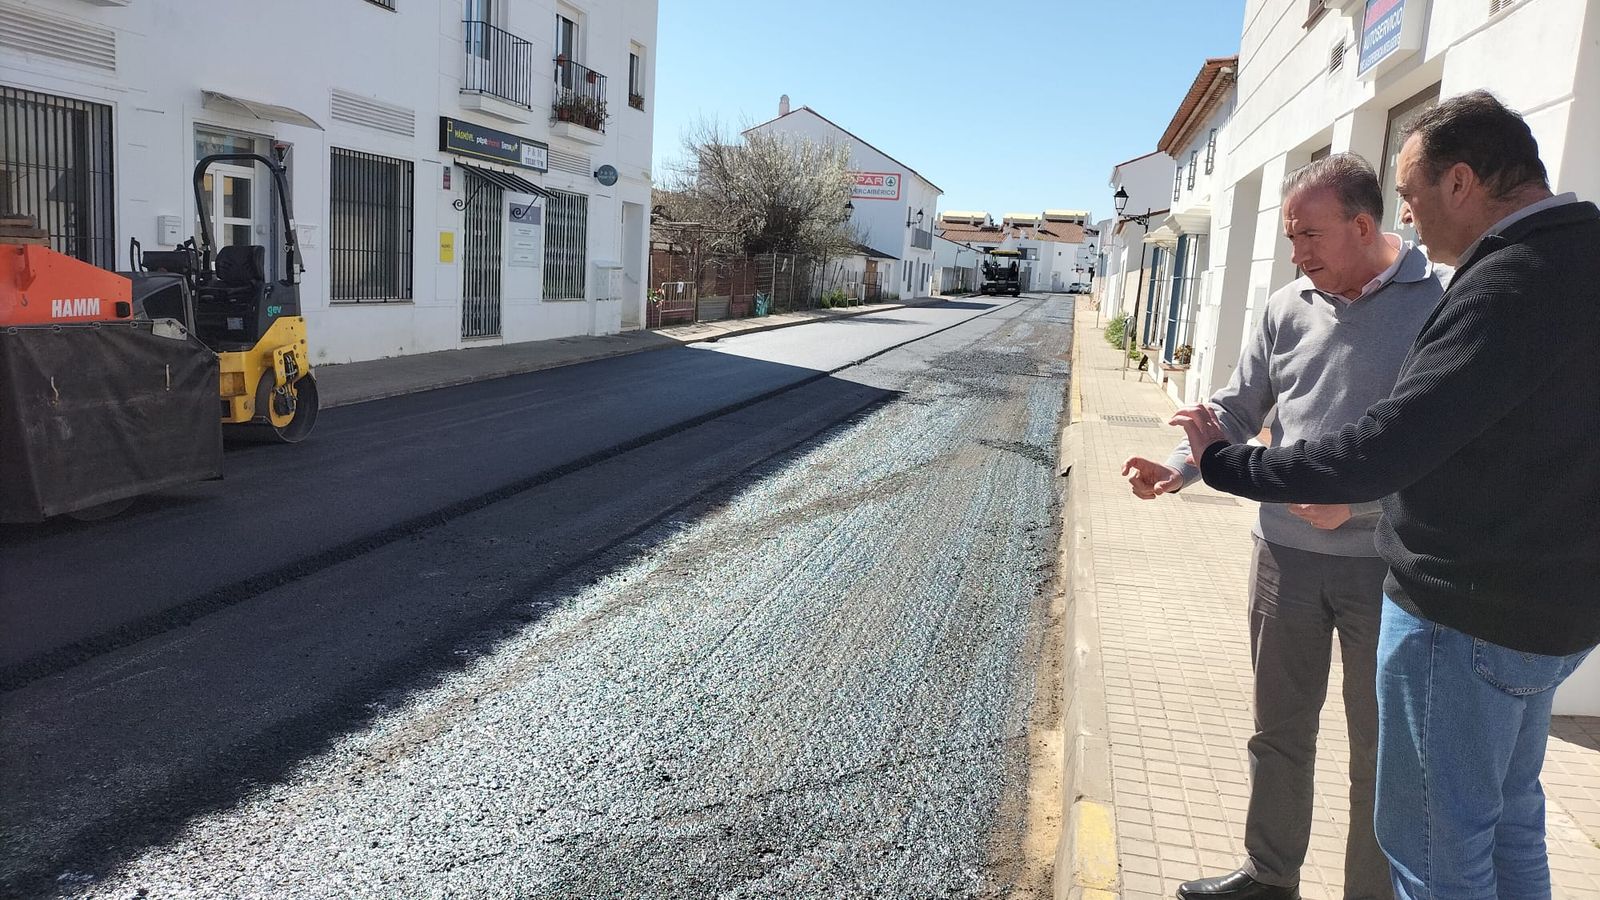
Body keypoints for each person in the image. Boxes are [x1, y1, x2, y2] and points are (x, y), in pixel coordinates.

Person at [1173, 91, 1600, 900]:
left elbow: (1386, 449)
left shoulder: (1492, 288)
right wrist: (1192, 459)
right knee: (1505, 822)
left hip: (1463, 612)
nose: (1410, 215)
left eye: (1409, 196)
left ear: (1463, 182)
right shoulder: (1577, 260)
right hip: (1541, 610)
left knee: (1433, 839)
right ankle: (1272, 875)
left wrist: (1232, 468)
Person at [1123, 152, 1444, 900]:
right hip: (1285, 560)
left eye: (1310, 236)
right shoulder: (1286, 306)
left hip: (1386, 568)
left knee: (1383, 751)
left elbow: (1450, 445)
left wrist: (1362, 505)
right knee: (1278, 734)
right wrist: (1181, 467)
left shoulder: (1437, 304)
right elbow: (1235, 409)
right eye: (1291, 237)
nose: (1297, 254)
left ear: (1364, 226)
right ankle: (1270, 878)